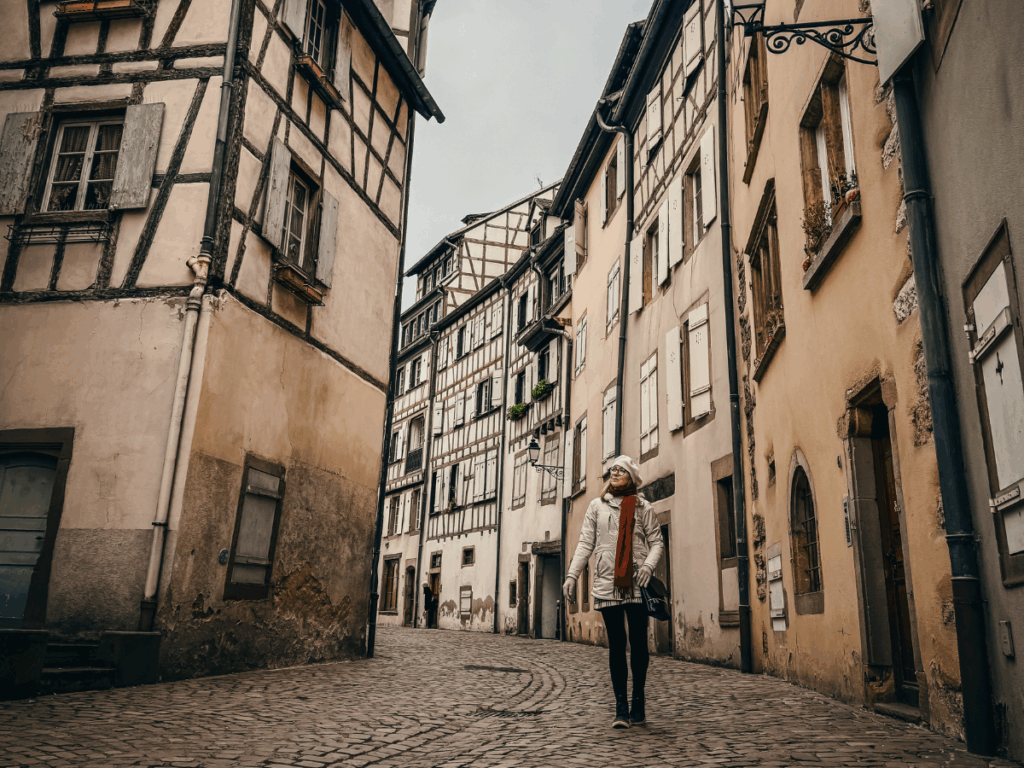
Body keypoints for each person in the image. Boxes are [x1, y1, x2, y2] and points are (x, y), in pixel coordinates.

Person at [563, 455, 664, 728]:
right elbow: (586, 543)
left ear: (631, 477)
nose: (615, 473)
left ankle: (638, 700)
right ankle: (621, 708)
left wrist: (649, 566)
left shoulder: (643, 507)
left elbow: (657, 542)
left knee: (639, 644)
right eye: (613, 470)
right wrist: (573, 575)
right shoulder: (597, 506)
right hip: (608, 585)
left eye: (621, 470)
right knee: (617, 645)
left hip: (637, 584)